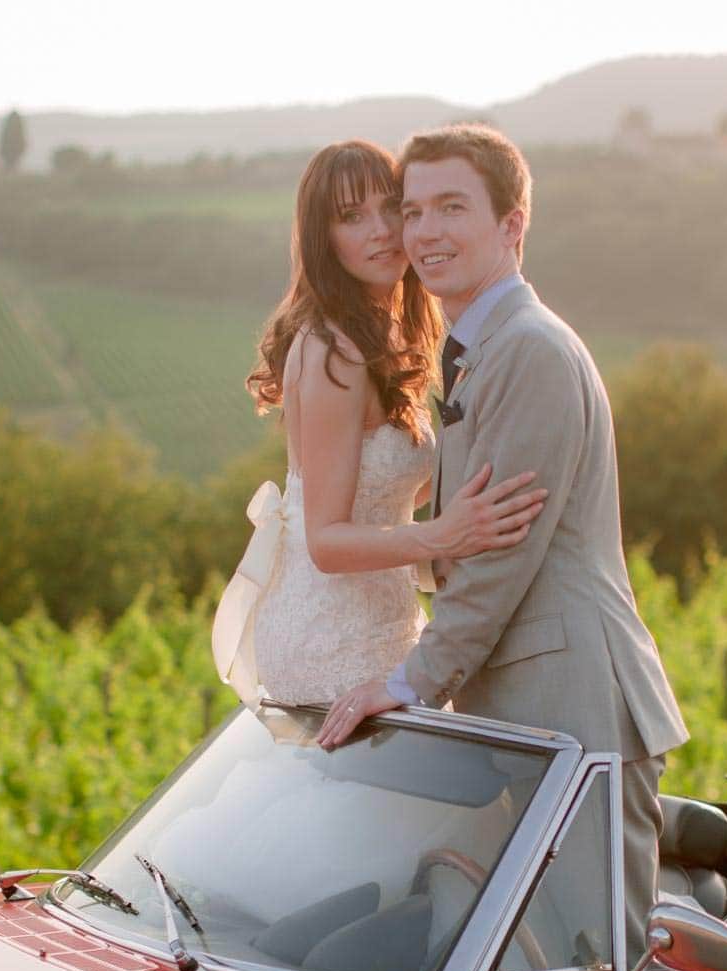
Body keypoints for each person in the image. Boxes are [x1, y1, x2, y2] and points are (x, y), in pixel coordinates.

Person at [317, 125, 688, 953]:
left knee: (594, 963)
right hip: (526, 715)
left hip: (575, 710)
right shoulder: (482, 350)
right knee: (521, 968)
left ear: (513, 226)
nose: (426, 232)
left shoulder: (531, 351)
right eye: (414, 211)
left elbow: (499, 560)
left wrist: (412, 681)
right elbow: (467, 542)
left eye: (453, 207)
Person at [211, 139, 548, 707]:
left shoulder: (389, 336)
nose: (382, 231)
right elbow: (326, 542)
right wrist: (443, 534)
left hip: (382, 616)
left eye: (392, 208)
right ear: (324, 239)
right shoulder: (332, 350)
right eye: (351, 217)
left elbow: (389, 487)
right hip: (331, 634)